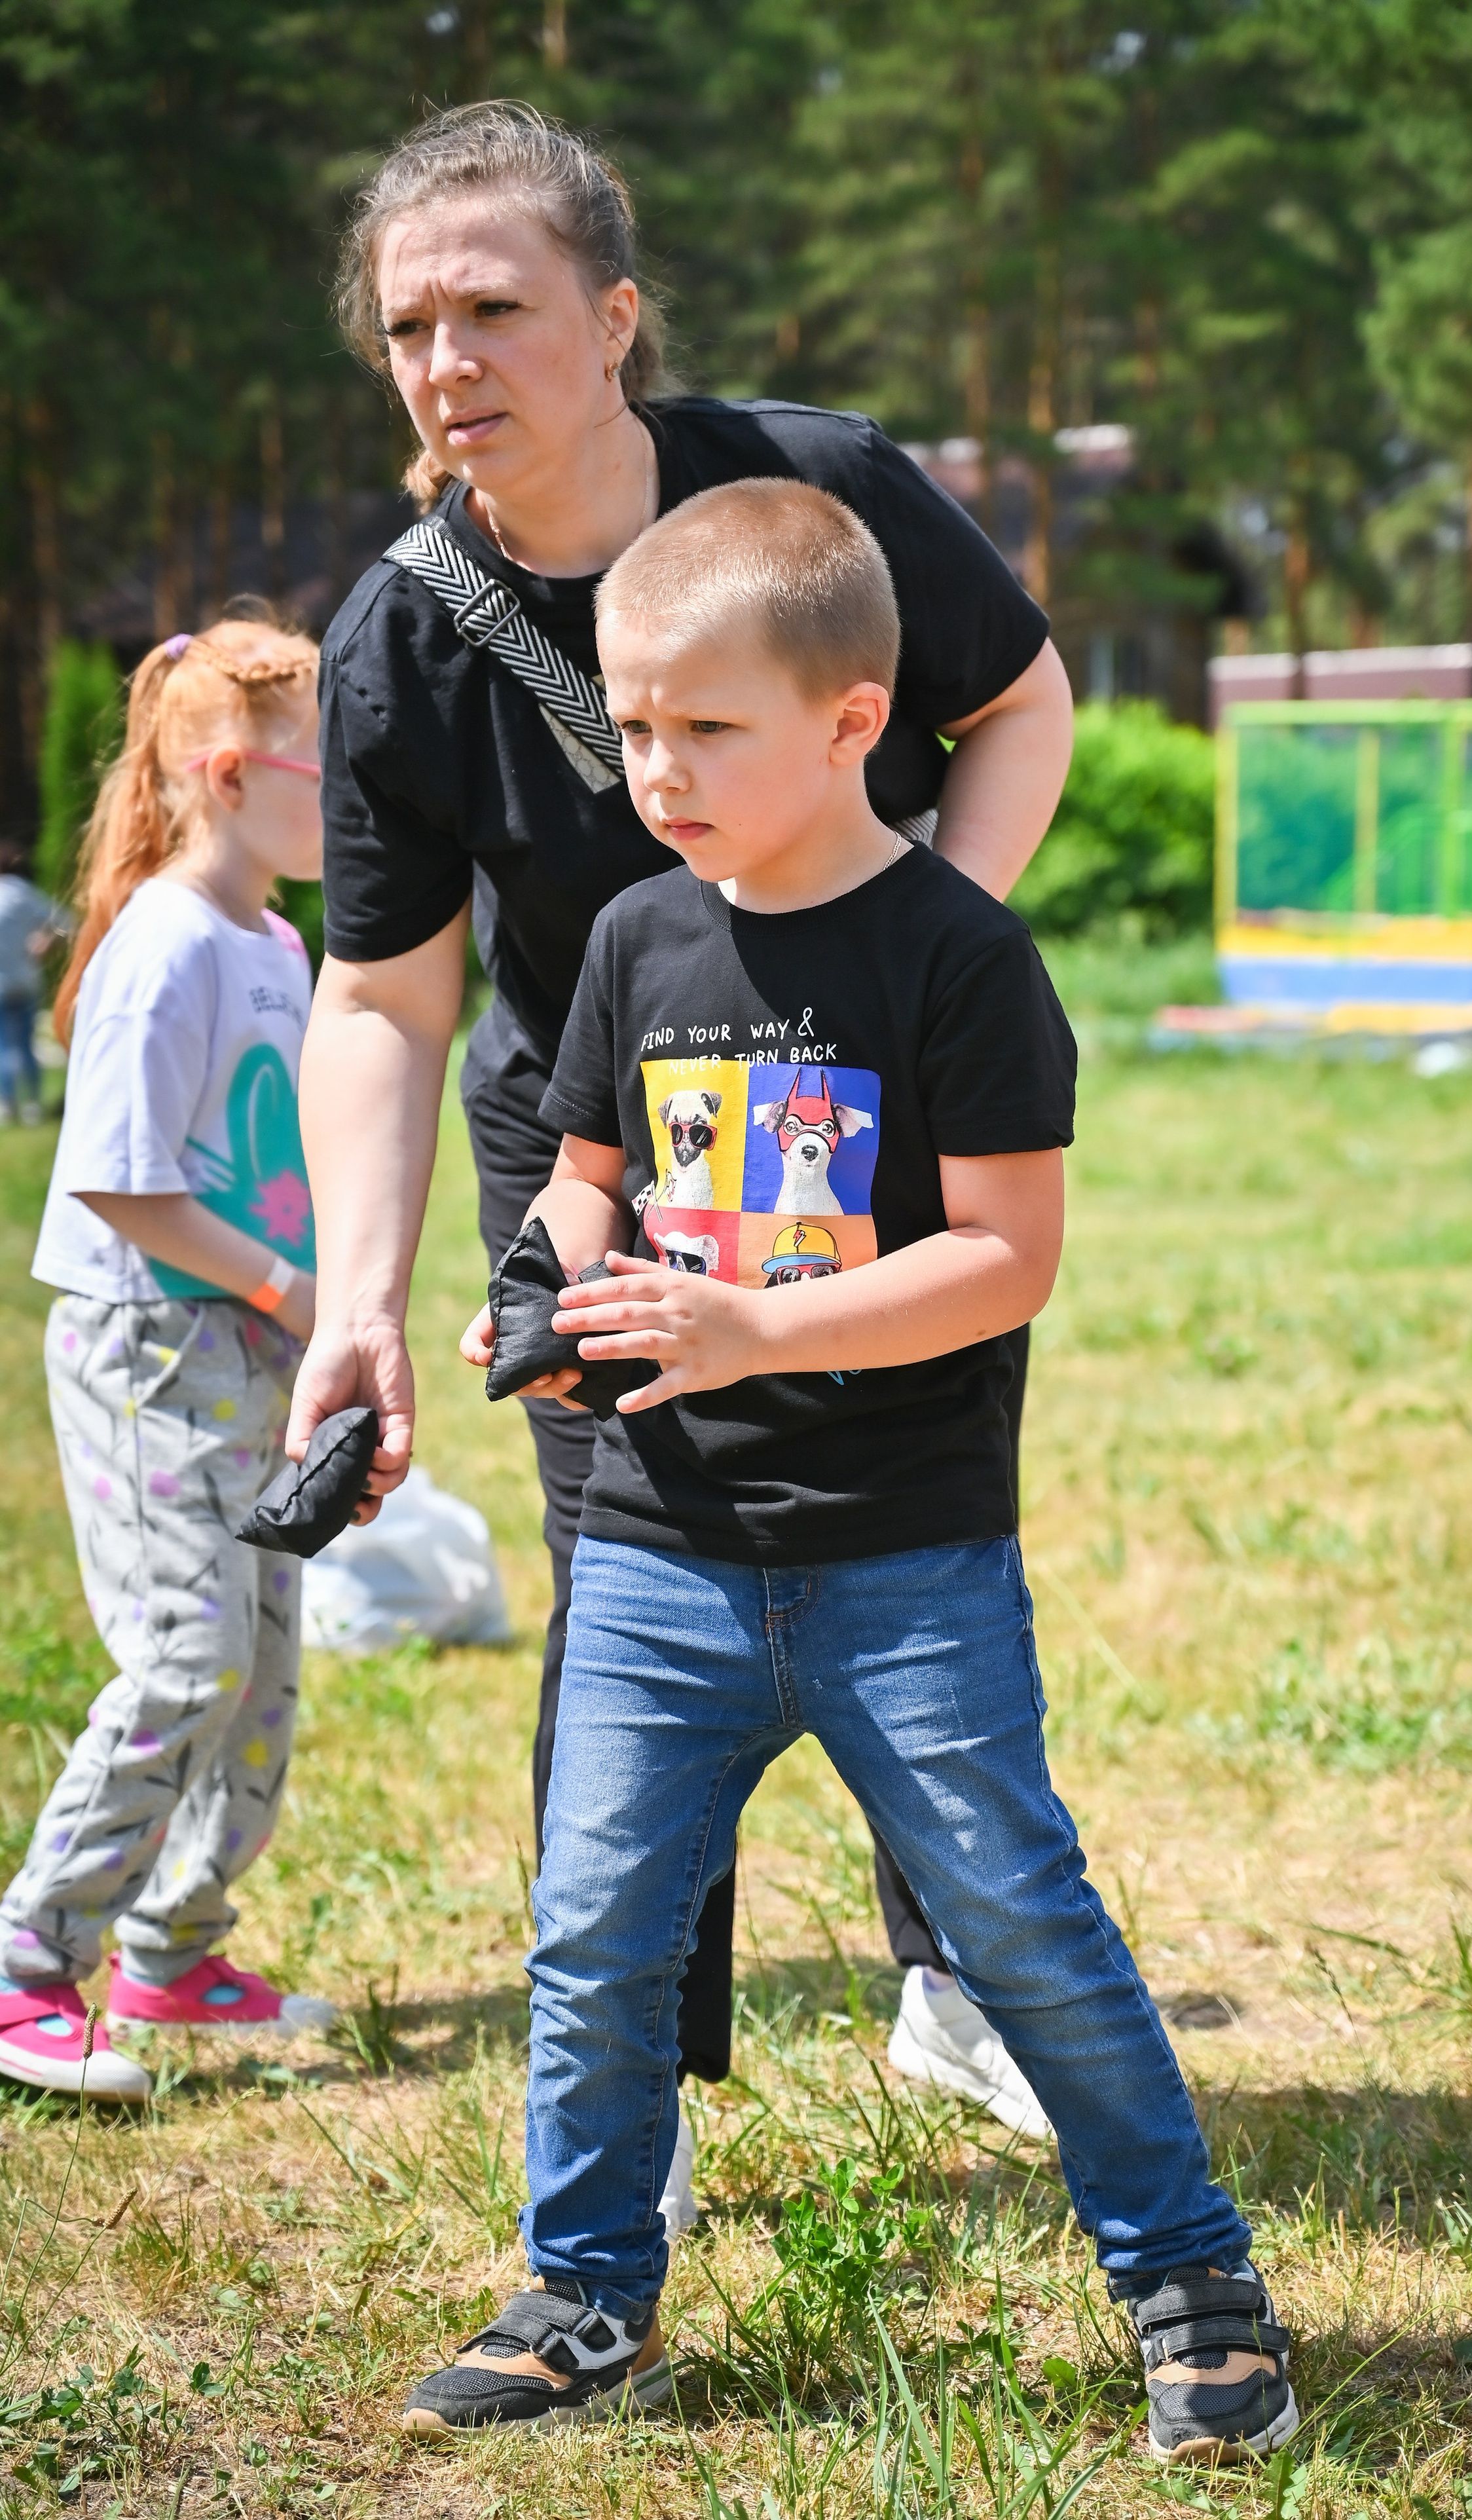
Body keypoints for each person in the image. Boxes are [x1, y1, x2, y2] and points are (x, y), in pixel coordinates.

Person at [400, 483, 1298, 2468]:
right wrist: (547, 1282)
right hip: (653, 1550)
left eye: (705, 729)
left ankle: (1190, 2278)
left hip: (904, 1562)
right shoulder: (634, 935)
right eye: (634, 730)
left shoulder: (959, 959)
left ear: (850, 718)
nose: (659, 770)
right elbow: (585, 1165)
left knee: (1022, 1928)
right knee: (598, 1927)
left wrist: (750, 1331)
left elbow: (1005, 1256)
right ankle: (583, 2287)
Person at [296, 100, 1075, 2167]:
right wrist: (357, 1303)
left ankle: (960, 1971)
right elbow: (382, 992)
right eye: (408, 326)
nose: (447, 360)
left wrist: (936, 961)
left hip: (870, 1109)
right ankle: (634, 2067)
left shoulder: (812, 488)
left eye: (494, 307)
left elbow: (1018, 703)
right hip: (598, 1154)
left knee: (906, 1525)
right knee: (635, 1572)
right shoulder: (399, 634)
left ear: (611, 318)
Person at [0, 614, 338, 2105]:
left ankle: (171, 1946)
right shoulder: (161, 944)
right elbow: (123, 1184)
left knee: (260, 1664)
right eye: (332, 771)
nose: (354, 798)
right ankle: (24, 1965)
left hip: (256, 1342)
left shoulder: (273, 939)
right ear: (231, 769)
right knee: (186, 1653)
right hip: (155, 1341)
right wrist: (283, 1283)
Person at [0, 841, 74, 1124]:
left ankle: (7, 1103)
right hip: (27, 980)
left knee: (5, 1046)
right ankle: (31, 1103)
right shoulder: (22, 893)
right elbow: (65, 921)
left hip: (2, 984)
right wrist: (46, 942)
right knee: (26, 1045)